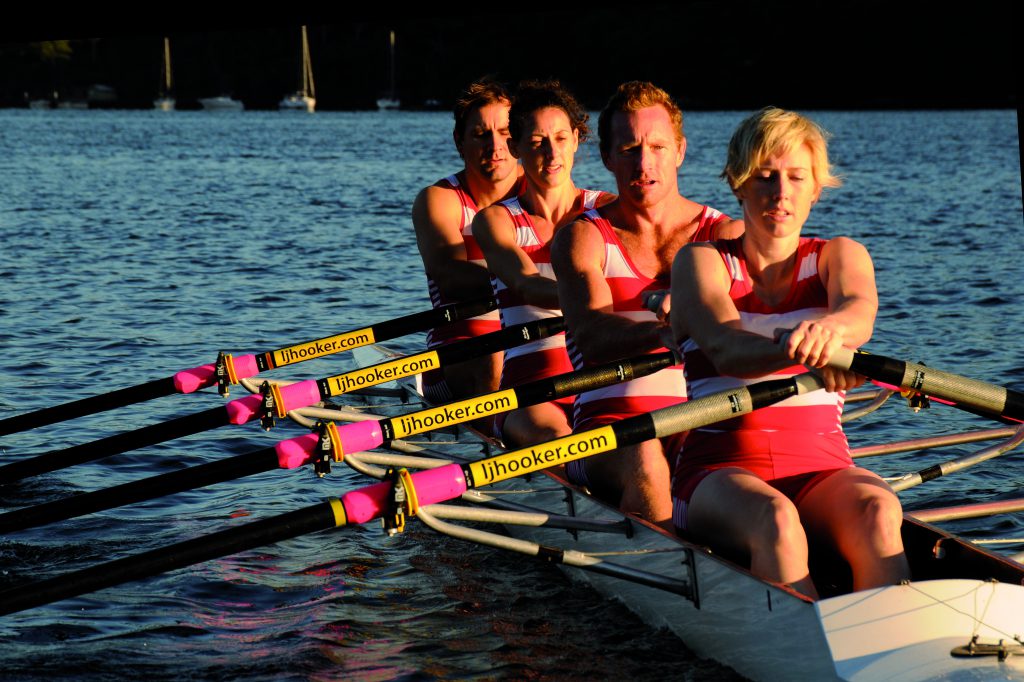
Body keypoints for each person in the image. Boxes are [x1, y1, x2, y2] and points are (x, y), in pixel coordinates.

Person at [669, 107, 910, 597]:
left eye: (797, 177)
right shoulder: (700, 262)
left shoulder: (840, 255)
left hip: (823, 469)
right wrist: (814, 355)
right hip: (718, 471)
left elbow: (858, 313)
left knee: (880, 510)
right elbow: (726, 349)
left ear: (815, 189)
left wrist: (833, 332)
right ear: (738, 185)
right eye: (765, 176)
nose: (781, 193)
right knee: (775, 519)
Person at [551, 81, 741, 530]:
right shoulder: (583, 237)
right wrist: (665, 332)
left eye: (656, 146)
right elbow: (592, 337)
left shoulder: (725, 235)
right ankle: (671, 570)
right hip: (608, 431)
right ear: (607, 156)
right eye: (630, 148)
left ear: (679, 150)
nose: (644, 162)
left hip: (702, 418)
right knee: (645, 453)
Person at [472, 79, 613, 447]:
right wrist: (588, 304)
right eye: (537, 142)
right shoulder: (495, 221)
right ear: (515, 147)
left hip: (606, 381)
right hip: (530, 391)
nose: (552, 153)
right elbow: (526, 284)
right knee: (559, 440)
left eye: (561, 139)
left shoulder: (610, 210)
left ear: (577, 139)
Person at [412, 78, 525, 407]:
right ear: (459, 141)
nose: (495, 146)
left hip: (531, 343)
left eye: (504, 133)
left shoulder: (542, 196)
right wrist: (531, 283)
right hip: (457, 352)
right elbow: (450, 276)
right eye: (481, 135)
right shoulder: (439, 199)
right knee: (493, 357)